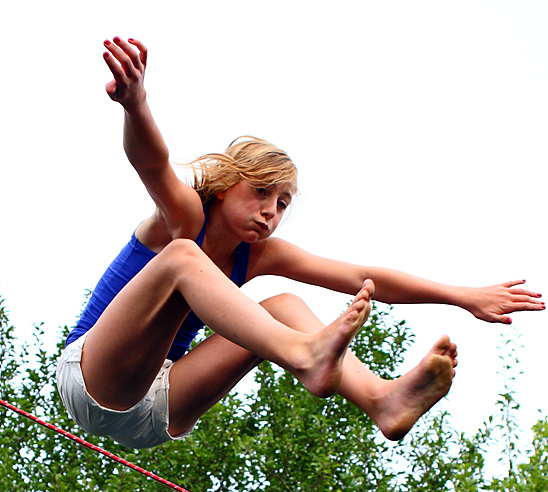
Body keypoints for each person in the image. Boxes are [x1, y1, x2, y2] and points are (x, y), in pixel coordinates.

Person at [57, 37, 544, 451]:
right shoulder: (185, 216)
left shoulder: (260, 254)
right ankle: (303, 354)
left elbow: (364, 278)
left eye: (284, 203)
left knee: (286, 303)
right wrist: (136, 103)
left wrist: (464, 296)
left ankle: (381, 401)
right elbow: (152, 162)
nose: (272, 210)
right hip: (94, 380)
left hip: (161, 408)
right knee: (184, 254)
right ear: (225, 186)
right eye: (262, 192)